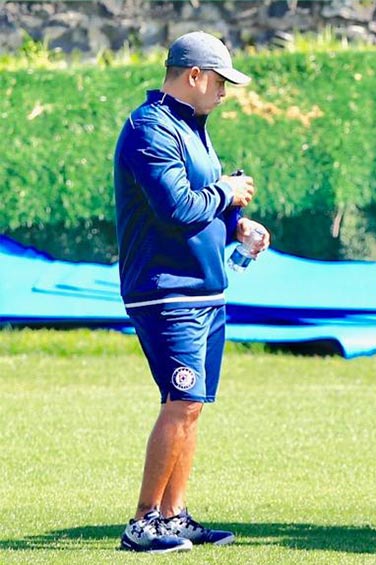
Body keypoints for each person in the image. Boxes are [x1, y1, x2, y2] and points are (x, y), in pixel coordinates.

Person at [114, 31, 268, 554]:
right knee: (180, 401)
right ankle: (142, 524)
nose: (225, 91)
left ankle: (173, 517)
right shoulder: (149, 128)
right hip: (166, 291)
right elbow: (176, 208)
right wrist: (227, 191)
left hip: (205, 288)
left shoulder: (193, 127)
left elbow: (204, 206)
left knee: (193, 404)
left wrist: (236, 224)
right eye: (221, 80)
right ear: (195, 75)